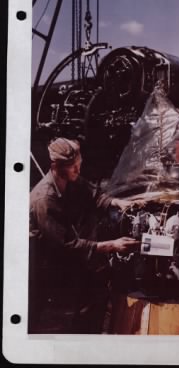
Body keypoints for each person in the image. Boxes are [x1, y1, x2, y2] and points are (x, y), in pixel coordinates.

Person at [29, 137, 139, 333]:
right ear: (55, 165)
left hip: (66, 256)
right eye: (73, 167)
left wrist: (117, 203)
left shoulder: (69, 177)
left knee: (94, 297)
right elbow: (67, 245)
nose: (78, 171)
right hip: (45, 265)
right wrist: (112, 246)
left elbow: (94, 194)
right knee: (60, 317)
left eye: (79, 165)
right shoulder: (44, 199)